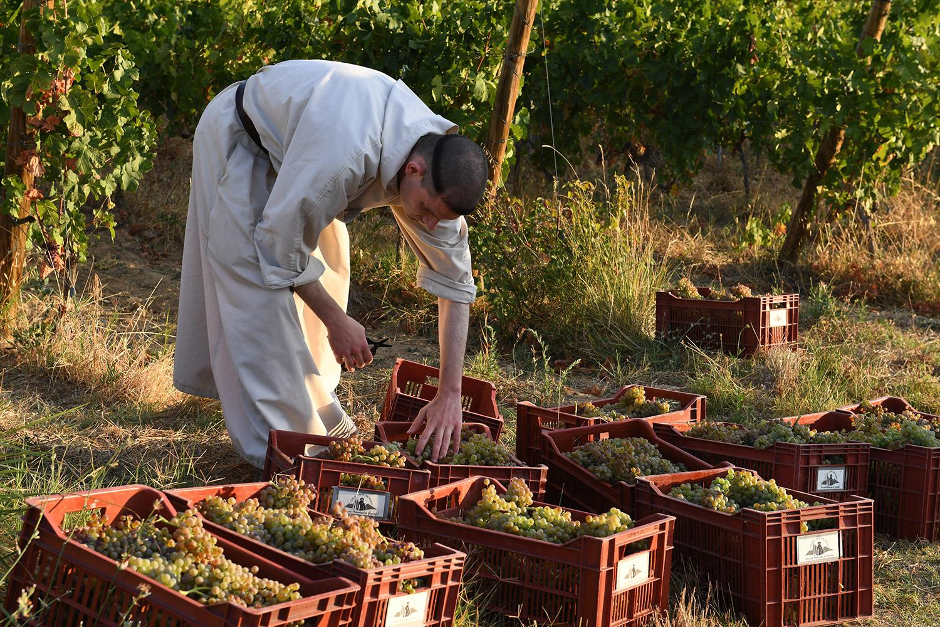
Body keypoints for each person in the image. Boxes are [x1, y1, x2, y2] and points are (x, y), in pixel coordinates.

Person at [173, 60, 488, 468]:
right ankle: (293, 454)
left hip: (304, 157)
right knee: (258, 299)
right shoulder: (348, 153)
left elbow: (455, 282)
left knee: (329, 274)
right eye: (427, 210)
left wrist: (449, 393)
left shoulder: (435, 171)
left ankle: (324, 424)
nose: (430, 224)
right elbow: (278, 244)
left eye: (438, 218)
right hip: (244, 142)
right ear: (413, 170)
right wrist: (337, 321)